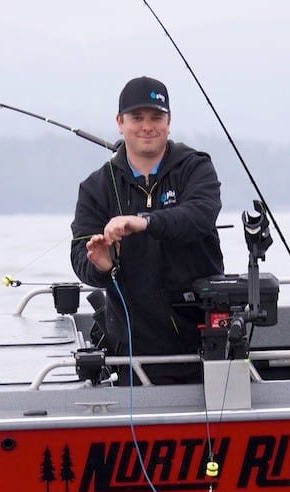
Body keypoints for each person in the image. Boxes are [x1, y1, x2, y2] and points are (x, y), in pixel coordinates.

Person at [70, 76, 224, 384]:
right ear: (120, 122)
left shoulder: (195, 168)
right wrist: (100, 267)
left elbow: (200, 216)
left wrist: (145, 221)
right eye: (136, 118)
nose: (147, 126)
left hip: (201, 337)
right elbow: (80, 255)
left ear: (168, 122)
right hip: (130, 345)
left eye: (156, 117)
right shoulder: (95, 187)